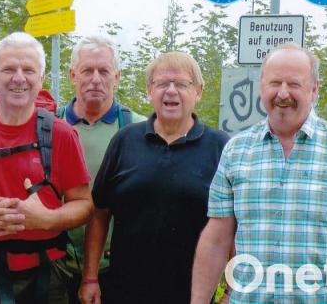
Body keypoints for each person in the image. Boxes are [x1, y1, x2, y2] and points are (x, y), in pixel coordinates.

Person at [190, 44, 327, 304]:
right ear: (262, 87)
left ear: (314, 89)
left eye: (294, 84)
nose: (283, 93)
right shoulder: (236, 150)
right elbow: (217, 237)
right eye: (275, 83)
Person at [0, 31, 94, 304]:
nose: (19, 77)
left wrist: (46, 219)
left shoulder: (61, 135)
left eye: (28, 69)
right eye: (8, 69)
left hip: (45, 274)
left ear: (41, 79)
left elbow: (83, 204)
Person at [82, 51, 229, 304]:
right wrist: (90, 278)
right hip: (124, 291)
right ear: (150, 90)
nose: (171, 91)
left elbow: (233, 224)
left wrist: (231, 290)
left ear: (199, 91)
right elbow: (99, 212)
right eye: (162, 84)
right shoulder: (125, 141)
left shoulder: (221, 147)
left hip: (194, 295)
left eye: (182, 84)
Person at [56, 35, 145, 302]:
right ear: (73, 75)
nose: (96, 78)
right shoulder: (50, 127)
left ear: (116, 77)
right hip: (57, 266)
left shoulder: (138, 130)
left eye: (104, 71)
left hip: (117, 268)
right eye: (87, 70)